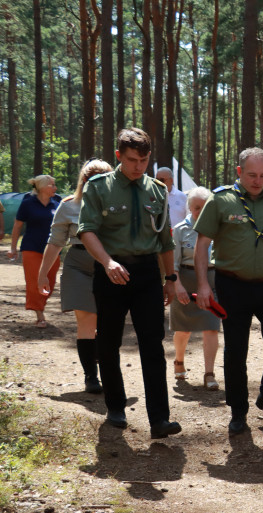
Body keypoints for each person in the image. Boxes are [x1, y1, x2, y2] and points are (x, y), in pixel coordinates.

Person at [77, 127, 181, 439]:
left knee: (153, 344)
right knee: (108, 342)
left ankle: (159, 419)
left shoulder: (158, 191)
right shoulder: (99, 187)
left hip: (147, 274)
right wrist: (107, 261)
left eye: (145, 160)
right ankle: (115, 406)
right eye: (133, 160)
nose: (139, 166)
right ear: (119, 156)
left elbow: (165, 241)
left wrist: (171, 279)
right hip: (111, 273)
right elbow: (86, 230)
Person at [194, 148, 263, 436]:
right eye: (251, 175)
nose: (257, 181)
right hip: (232, 284)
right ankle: (238, 411)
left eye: (262, 175)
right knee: (236, 350)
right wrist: (202, 285)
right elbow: (202, 245)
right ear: (239, 172)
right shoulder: (220, 200)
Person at [37, 159, 114, 393]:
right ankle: (91, 377)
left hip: (108, 267)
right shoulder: (69, 205)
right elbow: (55, 242)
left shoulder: (119, 206)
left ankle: (98, 353)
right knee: (87, 321)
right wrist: (42, 275)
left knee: (108, 323)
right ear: (84, 181)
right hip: (78, 266)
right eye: (92, 181)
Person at [170, 187, 220, 391]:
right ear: (189, 208)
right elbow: (172, 263)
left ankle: (209, 373)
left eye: (205, 207)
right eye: (197, 207)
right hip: (186, 280)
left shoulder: (219, 229)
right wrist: (178, 286)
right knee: (183, 329)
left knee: (211, 326)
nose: (201, 211)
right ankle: (179, 360)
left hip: (212, 280)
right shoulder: (181, 230)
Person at [9, 175, 62, 328]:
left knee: (50, 281)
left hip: (52, 248)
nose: (55, 188)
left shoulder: (57, 203)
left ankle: (40, 306)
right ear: (42, 187)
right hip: (31, 247)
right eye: (52, 185)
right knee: (34, 282)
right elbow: (17, 226)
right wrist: (13, 247)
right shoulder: (27, 204)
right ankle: (39, 313)